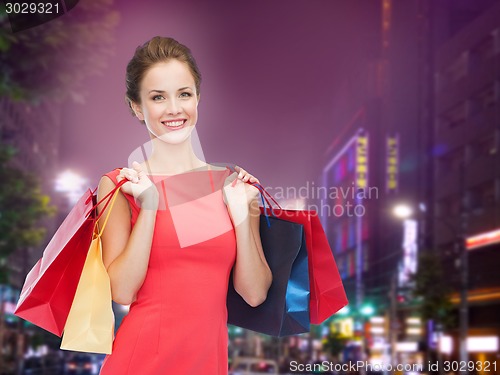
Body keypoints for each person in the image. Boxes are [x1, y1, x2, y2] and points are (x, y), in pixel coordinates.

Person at [96, 36, 272, 375]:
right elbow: (121, 290)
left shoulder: (233, 186)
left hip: (209, 364)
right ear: (136, 106)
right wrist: (149, 206)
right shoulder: (122, 185)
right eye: (157, 97)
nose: (174, 108)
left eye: (184, 94)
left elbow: (254, 294)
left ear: (198, 99)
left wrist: (239, 216)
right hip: (139, 363)